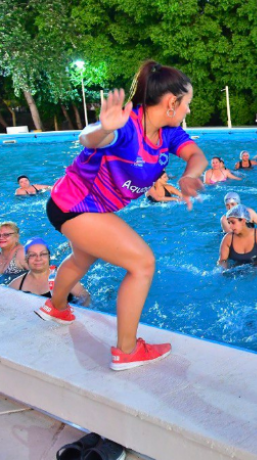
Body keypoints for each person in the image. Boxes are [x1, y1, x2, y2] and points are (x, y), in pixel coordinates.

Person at [39, 61, 207, 371]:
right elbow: (90, 139)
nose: (188, 111)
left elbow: (196, 156)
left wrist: (189, 175)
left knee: (82, 259)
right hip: (75, 205)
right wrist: (104, 127)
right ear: (172, 102)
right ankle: (127, 351)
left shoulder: (168, 134)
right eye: (187, 104)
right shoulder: (126, 126)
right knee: (142, 263)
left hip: (78, 206)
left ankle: (56, 307)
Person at [9, 238, 90, 306]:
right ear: (26, 259)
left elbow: (85, 298)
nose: (38, 258)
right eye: (32, 255)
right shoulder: (16, 285)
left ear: (49, 256)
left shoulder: (62, 277)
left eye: (43, 254)